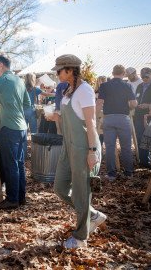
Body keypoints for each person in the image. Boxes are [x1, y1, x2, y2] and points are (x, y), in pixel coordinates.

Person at [52, 54, 106, 249]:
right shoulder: (68, 90)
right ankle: (91, 214)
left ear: (70, 70)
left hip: (83, 147)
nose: (57, 73)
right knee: (59, 187)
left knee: (82, 193)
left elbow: (91, 123)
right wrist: (55, 117)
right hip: (68, 146)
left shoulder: (85, 90)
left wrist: (92, 151)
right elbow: (71, 116)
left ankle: (81, 237)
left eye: (59, 70)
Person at [0, 55, 30, 209]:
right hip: (22, 127)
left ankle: (12, 199)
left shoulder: (2, 80)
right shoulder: (19, 80)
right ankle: (20, 197)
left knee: (11, 165)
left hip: (9, 128)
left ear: (0, 65)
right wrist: (2, 105)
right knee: (19, 164)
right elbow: (26, 103)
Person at [96, 65, 137, 181]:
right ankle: (128, 173)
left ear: (112, 73)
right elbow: (133, 104)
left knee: (109, 147)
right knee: (126, 148)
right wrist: (128, 105)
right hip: (123, 118)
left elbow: (99, 103)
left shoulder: (104, 85)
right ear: (123, 73)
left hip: (108, 118)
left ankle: (111, 174)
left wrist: (94, 117)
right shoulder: (127, 85)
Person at [134, 67, 151, 168]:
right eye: (142, 77)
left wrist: (148, 105)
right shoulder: (139, 86)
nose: (144, 79)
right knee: (140, 138)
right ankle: (144, 162)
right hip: (139, 116)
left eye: (146, 76)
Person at [95, 76, 107, 146]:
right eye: (101, 80)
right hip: (99, 113)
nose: (102, 82)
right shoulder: (96, 92)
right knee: (99, 132)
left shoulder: (108, 91)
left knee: (103, 131)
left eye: (104, 80)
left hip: (104, 113)